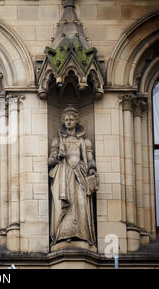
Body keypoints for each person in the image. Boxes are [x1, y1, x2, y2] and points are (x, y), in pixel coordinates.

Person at [48, 106, 98, 248]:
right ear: (63, 121)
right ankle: (64, 236)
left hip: (79, 175)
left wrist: (92, 169)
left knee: (81, 204)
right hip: (63, 175)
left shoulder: (85, 141)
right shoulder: (57, 141)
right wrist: (58, 157)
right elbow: (50, 161)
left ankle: (82, 235)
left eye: (71, 119)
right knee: (64, 206)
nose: (69, 121)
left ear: (76, 121)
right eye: (67, 119)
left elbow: (90, 159)